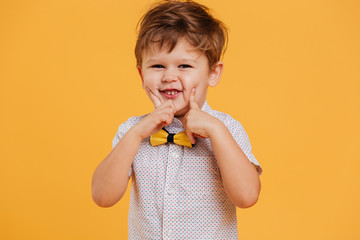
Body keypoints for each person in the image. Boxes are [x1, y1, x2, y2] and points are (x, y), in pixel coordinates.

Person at [92, 0, 263, 239]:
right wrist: (136, 135)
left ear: (212, 73)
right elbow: (102, 196)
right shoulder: (132, 131)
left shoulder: (227, 129)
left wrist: (217, 131)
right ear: (142, 74)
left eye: (184, 65)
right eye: (158, 65)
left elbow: (247, 197)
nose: (169, 76)